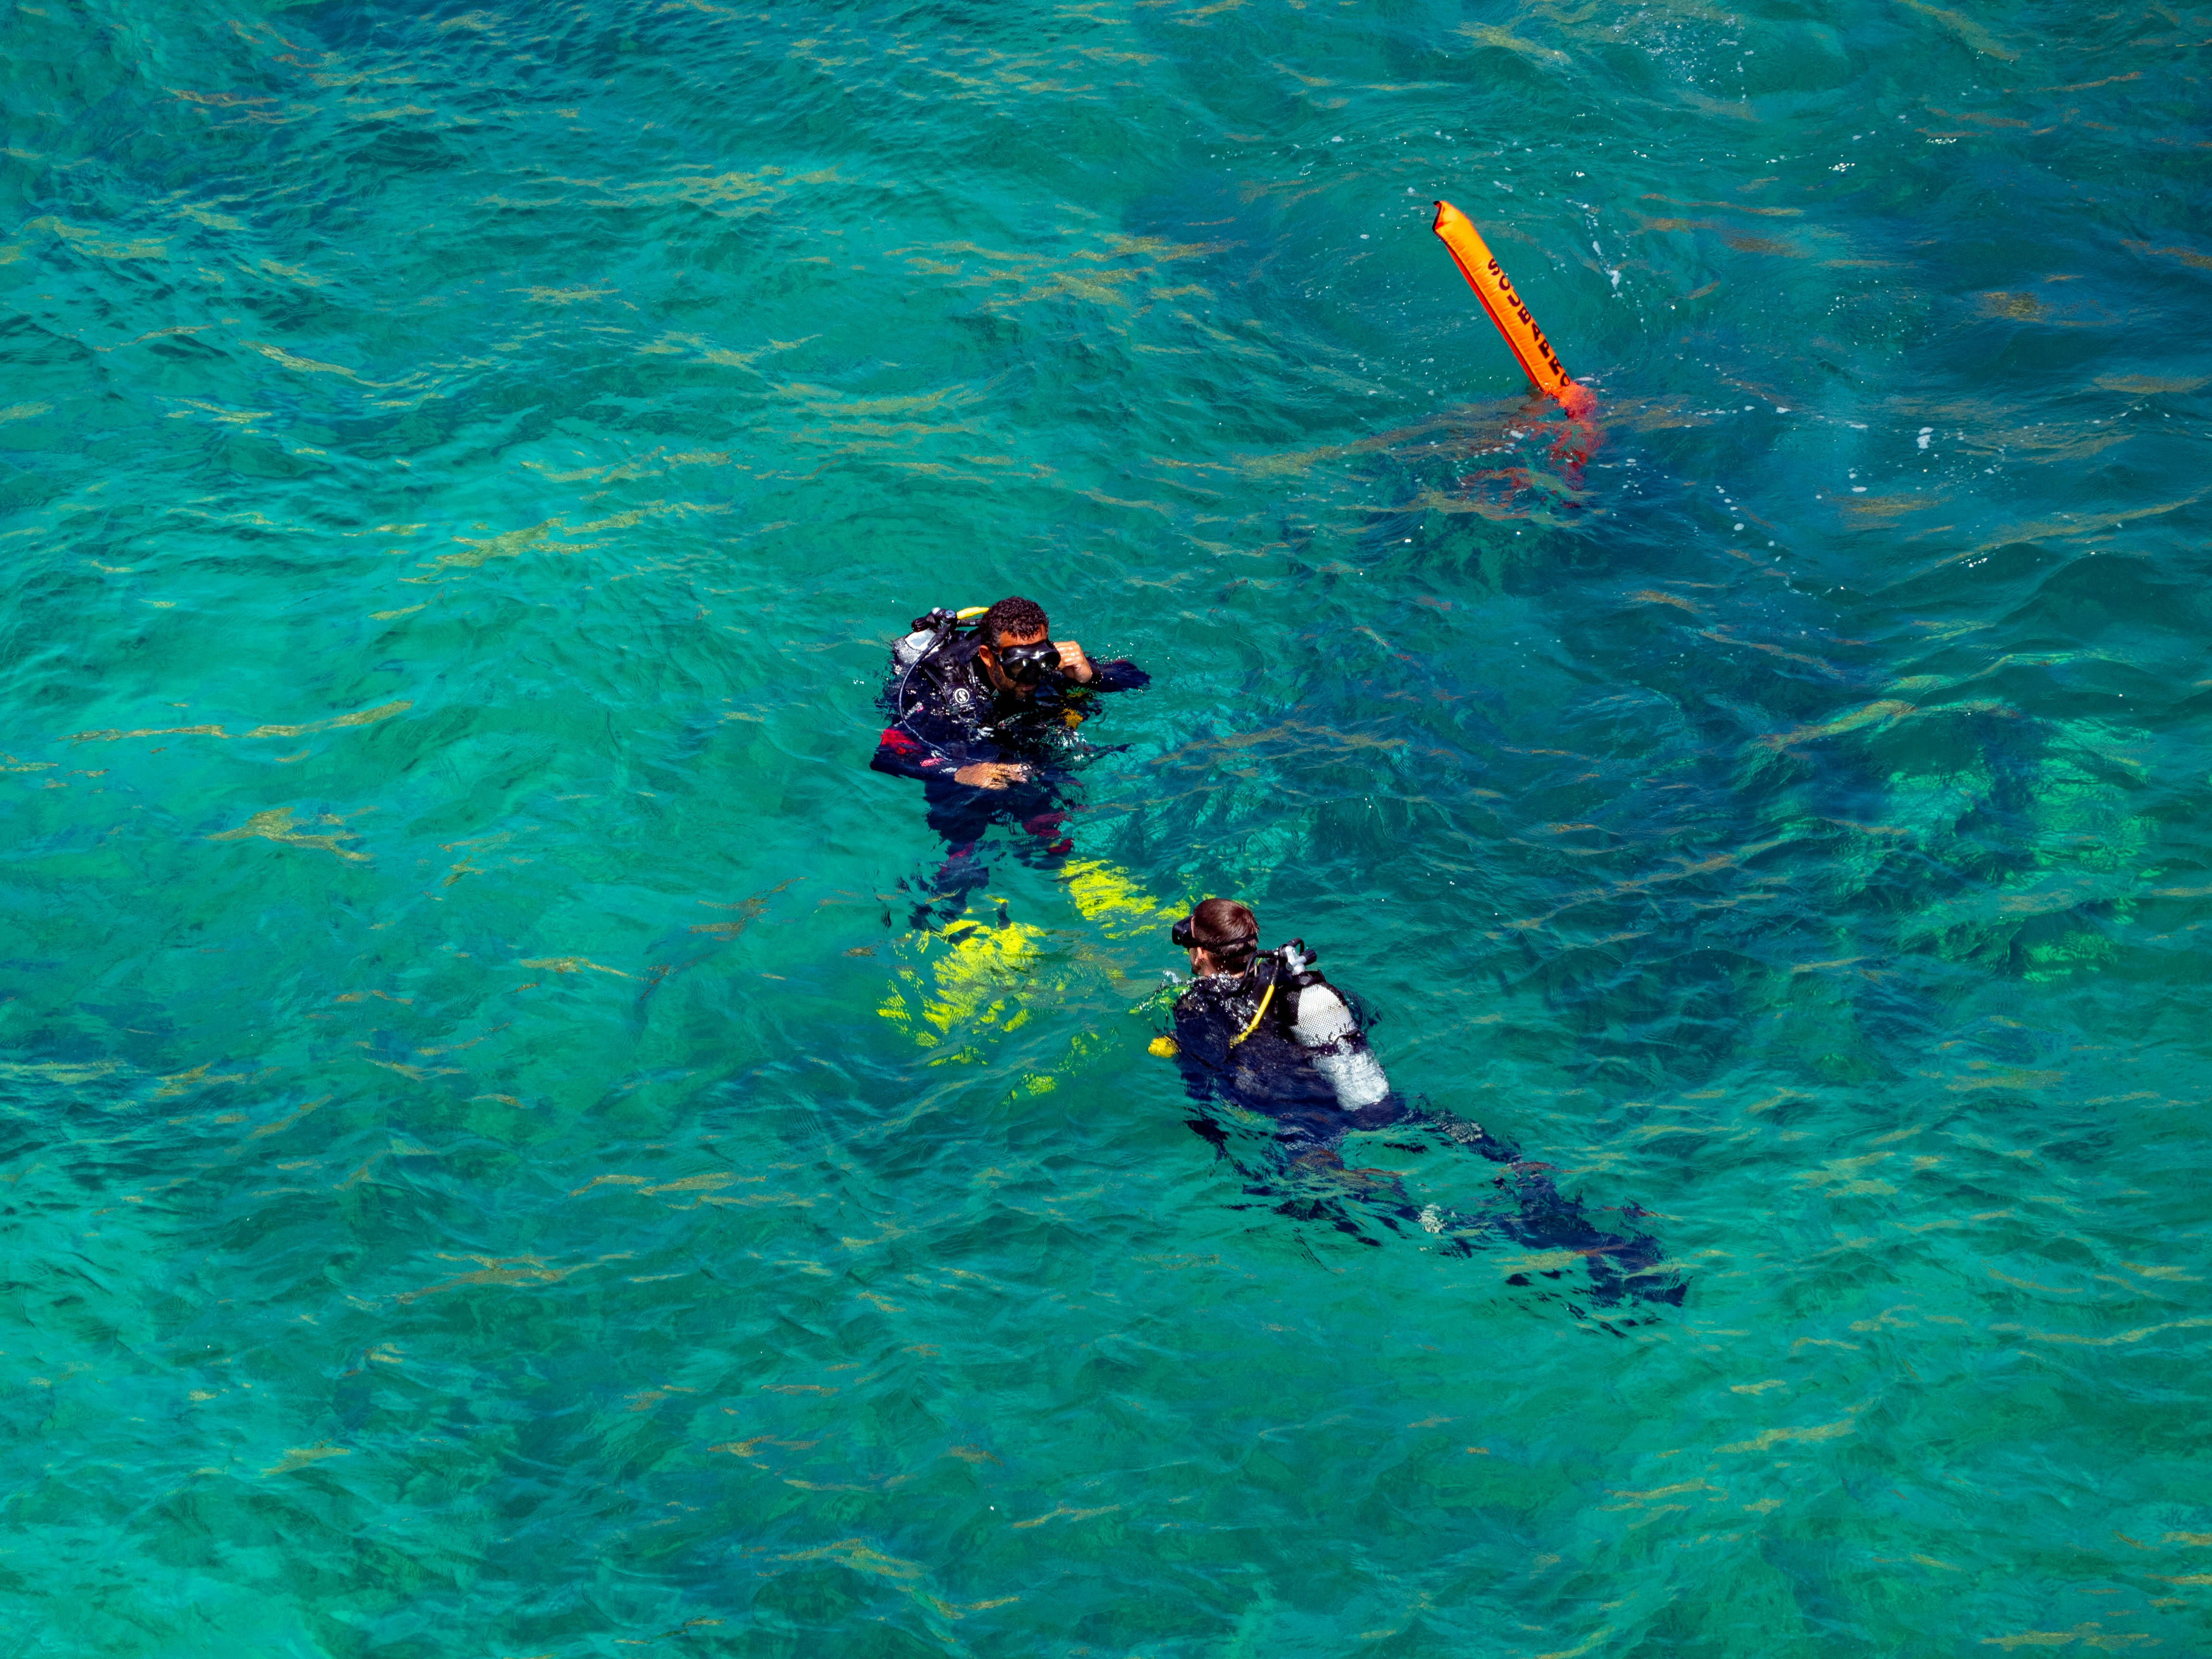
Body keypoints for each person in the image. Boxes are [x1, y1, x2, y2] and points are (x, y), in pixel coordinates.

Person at [1163, 898, 1683, 1312]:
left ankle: (1436, 1215)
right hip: (1367, 1096)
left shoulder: (1194, 1007)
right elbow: (1361, 1022)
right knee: (1434, 1123)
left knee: (1319, 1183)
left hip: (1302, 1116)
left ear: (1203, 955)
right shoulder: (1294, 980)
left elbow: (1207, 1082)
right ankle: (1528, 1175)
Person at [872, 595, 1148, 924]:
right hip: (962, 756)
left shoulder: (1045, 668)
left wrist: (1091, 676)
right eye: (1020, 667)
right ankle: (953, 898)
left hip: (1021, 750)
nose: (1033, 679)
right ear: (989, 657)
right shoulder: (941, 689)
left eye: (1043, 661)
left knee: (1048, 791)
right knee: (963, 818)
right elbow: (887, 756)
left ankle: (1056, 886)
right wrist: (961, 773)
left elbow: (1138, 680)